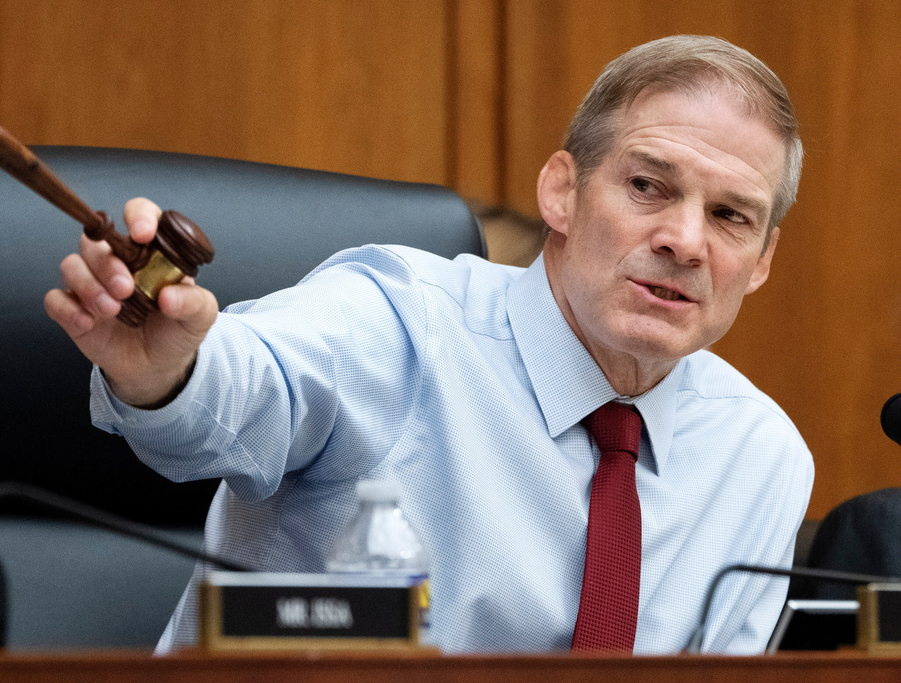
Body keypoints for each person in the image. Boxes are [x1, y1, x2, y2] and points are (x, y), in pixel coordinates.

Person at [45, 35, 813, 655]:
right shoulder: (398, 322)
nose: (684, 241)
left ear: (763, 262)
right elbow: (244, 383)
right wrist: (174, 370)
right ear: (561, 193)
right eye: (648, 186)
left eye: (730, 216)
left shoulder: (760, 458)